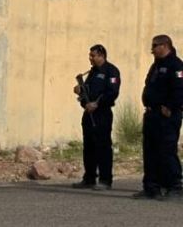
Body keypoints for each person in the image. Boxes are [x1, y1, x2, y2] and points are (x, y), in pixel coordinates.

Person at [133, 35, 183, 200]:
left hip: (167, 116)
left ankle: (175, 187)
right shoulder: (156, 65)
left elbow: (179, 90)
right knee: (150, 151)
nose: (152, 49)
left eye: (155, 46)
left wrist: (170, 107)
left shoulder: (175, 65)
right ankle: (151, 187)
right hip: (152, 115)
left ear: (165, 45)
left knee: (167, 151)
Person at [71, 44, 121, 191]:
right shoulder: (92, 72)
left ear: (101, 55)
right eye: (90, 55)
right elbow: (86, 91)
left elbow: (112, 92)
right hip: (88, 113)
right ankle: (89, 178)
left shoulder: (111, 71)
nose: (90, 58)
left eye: (93, 55)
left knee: (103, 147)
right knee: (89, 147)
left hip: (102, 113)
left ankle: (105, 180)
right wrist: (80, 91)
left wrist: (97, 104)